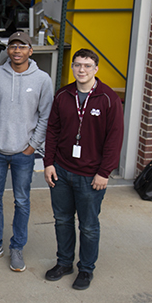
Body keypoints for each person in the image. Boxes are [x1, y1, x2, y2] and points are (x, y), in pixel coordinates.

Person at [43, 48, 124, 290]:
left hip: (91, 175)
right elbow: (52, 130)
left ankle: (86, 269)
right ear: (72, 67)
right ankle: (64, 262)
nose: (82, 70)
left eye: (87, 66)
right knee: (62, 220)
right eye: (78, 65)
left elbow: (114, 138)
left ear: (96, 69)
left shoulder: (108, 98)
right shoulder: (63, 95)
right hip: (62, 170)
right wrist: (48, 163)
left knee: (88, 226)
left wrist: (105, 172)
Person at [0, 32, 53, 272]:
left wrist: (32, 146)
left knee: (22, 200)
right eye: (12, 46)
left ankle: (17, 247)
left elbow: (46, 116)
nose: (16, 50)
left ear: (31, 51)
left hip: (24, 152)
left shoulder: (42, 79)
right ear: (8, 50)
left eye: (22, 47)